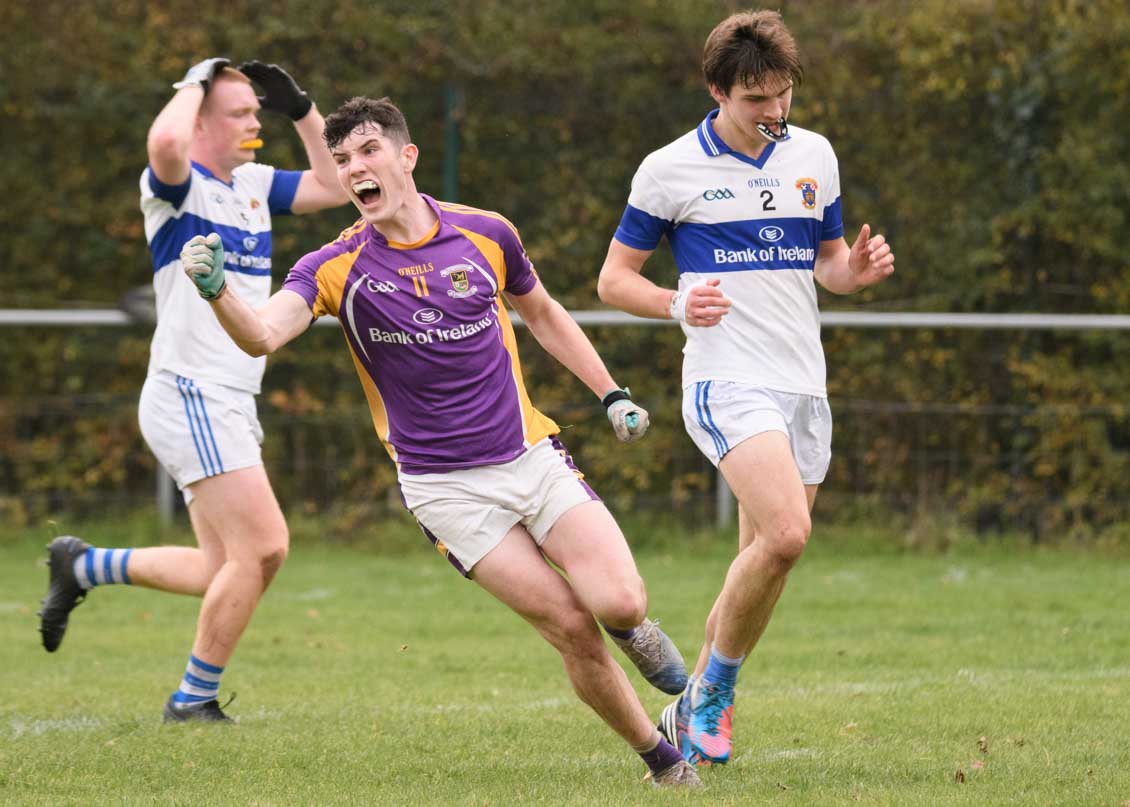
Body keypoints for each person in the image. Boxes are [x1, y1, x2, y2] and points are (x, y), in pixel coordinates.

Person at [176, 95, 700, 787]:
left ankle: (633, 630)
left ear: (406, 156)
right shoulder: (334, 266)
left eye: (367, 151)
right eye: (340, 160)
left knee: (619, 603)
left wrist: (612, 393)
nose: (354, 168)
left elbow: (543, 315)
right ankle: (662, 761)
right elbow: (265, 333)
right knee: (571, 625)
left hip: (531, 457)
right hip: (445, 491)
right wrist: (219, 293)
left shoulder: (486, 233)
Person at [597, 10, 896, 767]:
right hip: (726, 377)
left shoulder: (815, 156)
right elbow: (613, 281)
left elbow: (825, 261)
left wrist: (850, 275)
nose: (774, 112)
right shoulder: (670, 169)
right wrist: (674, 303)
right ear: (716, 90)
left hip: (803, 382)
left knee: (767, 557)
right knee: (789, 533)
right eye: (756, 98)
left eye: (782, 94)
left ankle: (686, 706)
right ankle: (715, 692)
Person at [37, 57, 349, 723]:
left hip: (229, 396)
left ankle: (83, 567)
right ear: (202, 121)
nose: (253, 124)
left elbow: (335, 184)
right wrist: (191, 82)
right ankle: (192, 699)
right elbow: (166, 145)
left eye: (256, 113)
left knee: (222, 567)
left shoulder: (256, 184)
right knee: (265, 547)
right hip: (191, 392)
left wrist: (303, 110)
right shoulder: (177, 189)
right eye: (239, 114)